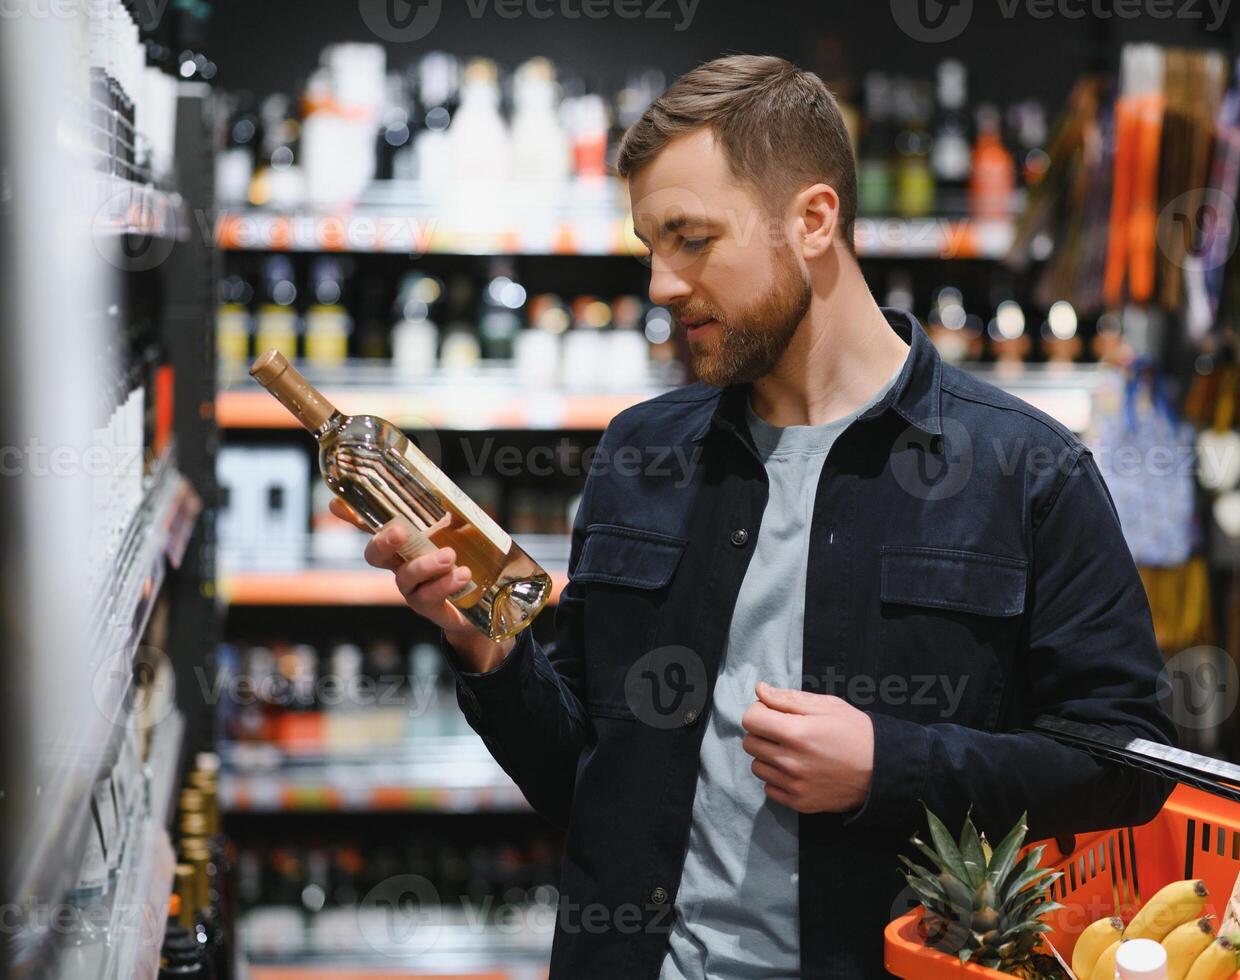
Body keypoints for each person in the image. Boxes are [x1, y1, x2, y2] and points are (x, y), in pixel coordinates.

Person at [332, 54, 1175, 980]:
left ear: (811, 220)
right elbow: (586, 784)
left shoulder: (1027, 470)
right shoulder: (638, 455)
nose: (660, 284)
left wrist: (888, 765)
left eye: (690, 240)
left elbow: (1128, 762)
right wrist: (489, 652)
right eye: (650, 245)